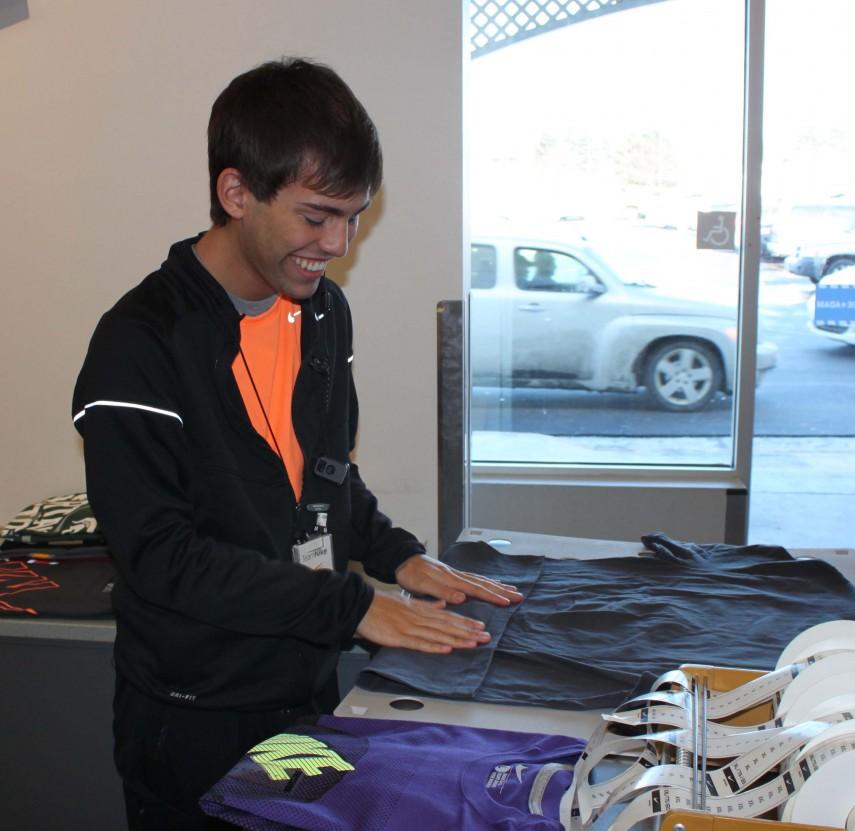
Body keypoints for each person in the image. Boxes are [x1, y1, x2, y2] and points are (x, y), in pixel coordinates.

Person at [72, 57, 522, 831]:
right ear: (236, 192)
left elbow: (323, 477)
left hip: (306, 691)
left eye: (354, 216)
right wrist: (355, 604)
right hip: (195, 712)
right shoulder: (137, 344)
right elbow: (161, 555)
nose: (339, 243)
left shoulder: (320, 311)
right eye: (318, 216)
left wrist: (397, 555)